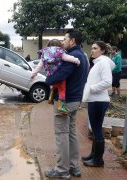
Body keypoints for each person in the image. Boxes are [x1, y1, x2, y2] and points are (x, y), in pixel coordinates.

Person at [44, 29, 88, 179]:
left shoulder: (72, 56)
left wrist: (47, 80)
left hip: (65, 102)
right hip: (75, 101)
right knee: (71, 133)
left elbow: (60, 75)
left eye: (64, 39)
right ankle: (74, 167)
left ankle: (62, 170)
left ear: (72, 41)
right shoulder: (83, 56)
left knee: (62, 135)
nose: (62, 42)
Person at [82, 41, 115, 167]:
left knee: (97, 130)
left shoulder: (103, 63)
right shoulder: (98, 63)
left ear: (102, 51)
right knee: (96, 130)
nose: (92, 50)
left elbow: (107, 82)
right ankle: (93, 155)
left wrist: (92, 89)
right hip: (95, 100)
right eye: (92, 48)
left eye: (95, 48)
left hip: (99, 101)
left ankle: (98, 160)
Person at [31, 39, 80, 114]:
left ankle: (50, 98)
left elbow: (39, 66)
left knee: (53, 87)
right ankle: (61, 106)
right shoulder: (60, 52)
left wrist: (33, 74)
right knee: (62, 90)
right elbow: (69, 58)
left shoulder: (44, 53)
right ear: (59, 46)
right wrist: (77, 61)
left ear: (48, 45)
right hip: (58, 77)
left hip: (50, 77)